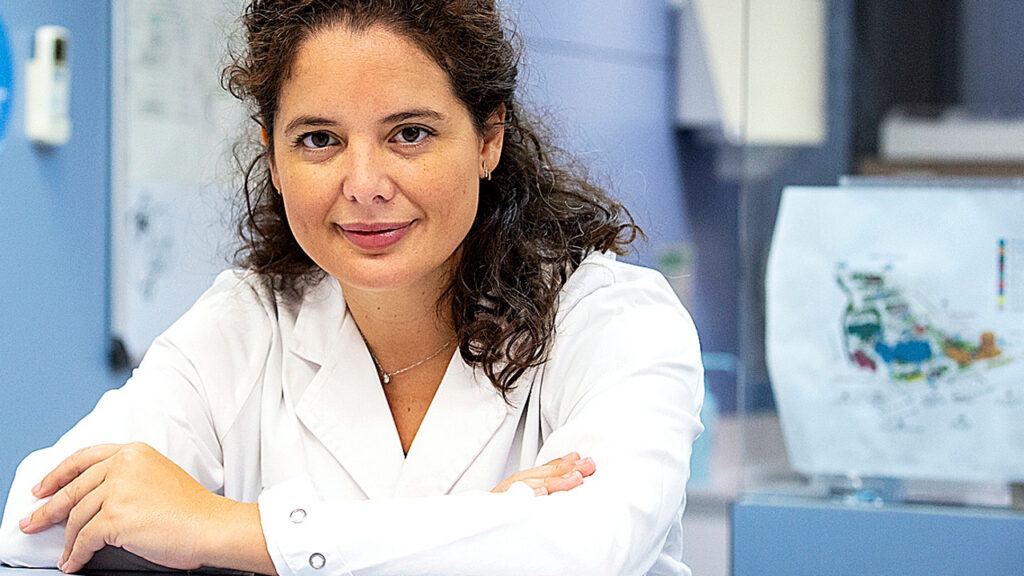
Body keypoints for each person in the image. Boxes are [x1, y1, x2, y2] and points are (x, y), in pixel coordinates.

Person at [0, 1, 704, 574]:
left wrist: (226, 529)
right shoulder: (249, 324)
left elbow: (580, 549)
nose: (364, 185)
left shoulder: (614, 322)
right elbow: (31, 525)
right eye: (317, 140)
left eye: (409, 133)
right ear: (272, 156)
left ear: (489, 138)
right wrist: (480, 530)